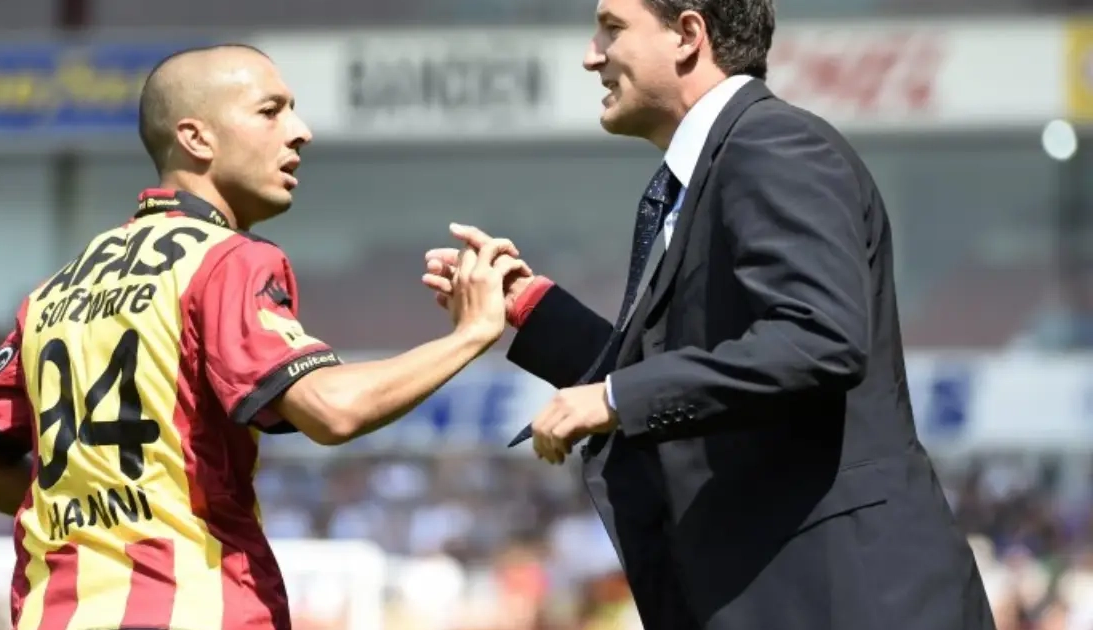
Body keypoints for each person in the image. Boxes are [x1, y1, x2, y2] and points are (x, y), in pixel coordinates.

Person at [423, 0, 997, 628]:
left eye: (612, 28)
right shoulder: (718, 166)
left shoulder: (772, 145)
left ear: (688, 35)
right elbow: (687, 375)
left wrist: (614, 398)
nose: (592, 55)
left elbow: (817, 338)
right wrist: (530, 308)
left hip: (852, 600)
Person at [0, 44, 519, 630]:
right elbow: (331, 409)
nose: (301, 132)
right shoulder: (226, 260)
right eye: (271, 111)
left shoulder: (54, 290)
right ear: (197, 138)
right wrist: (471, 334)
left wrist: (101, 522)